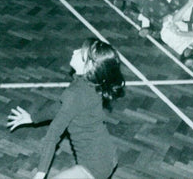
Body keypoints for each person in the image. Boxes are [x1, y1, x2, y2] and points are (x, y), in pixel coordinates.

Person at [7, 38, 125, 179]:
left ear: (89, 67)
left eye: (81, 52)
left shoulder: (75, 93)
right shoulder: (91, 84)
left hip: (93, 166)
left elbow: (53, 135)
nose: (75, 51)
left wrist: (40, 173)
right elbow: (61, 108)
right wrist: (33, 118)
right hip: (108, 154)